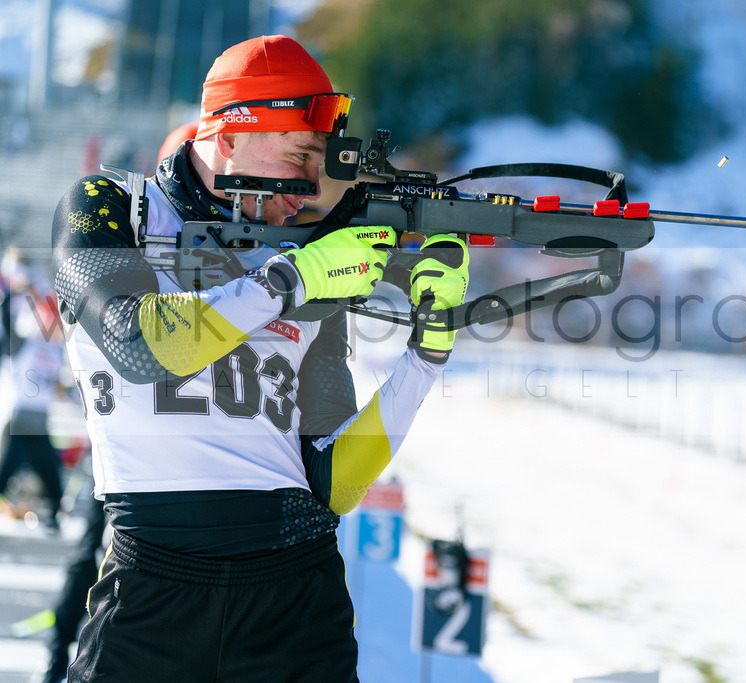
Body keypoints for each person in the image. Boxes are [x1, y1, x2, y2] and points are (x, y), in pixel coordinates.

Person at [51, 35, 468, 682]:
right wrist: (289, 282)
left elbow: (333, 483)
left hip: (295, 595)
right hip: (154, 583)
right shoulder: (117, 208)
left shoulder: (303, 246)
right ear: (230, 133)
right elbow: (137, 344)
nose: (309, 184)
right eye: (300, 154)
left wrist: (427, 352)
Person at [35, 120, 201, 683]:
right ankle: (61, 661)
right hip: (128, 450)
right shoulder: (139, 234)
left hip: (186, 458)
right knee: (96, 559)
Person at [0, 290, 67, 530]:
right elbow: (6, 324)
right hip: (18, 421)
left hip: (40, 423)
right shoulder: (25, 343)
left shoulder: (58, 349)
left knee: (51, 475)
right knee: (4, 472)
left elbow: (57, 385)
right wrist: (9, 295)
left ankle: (52, 516)